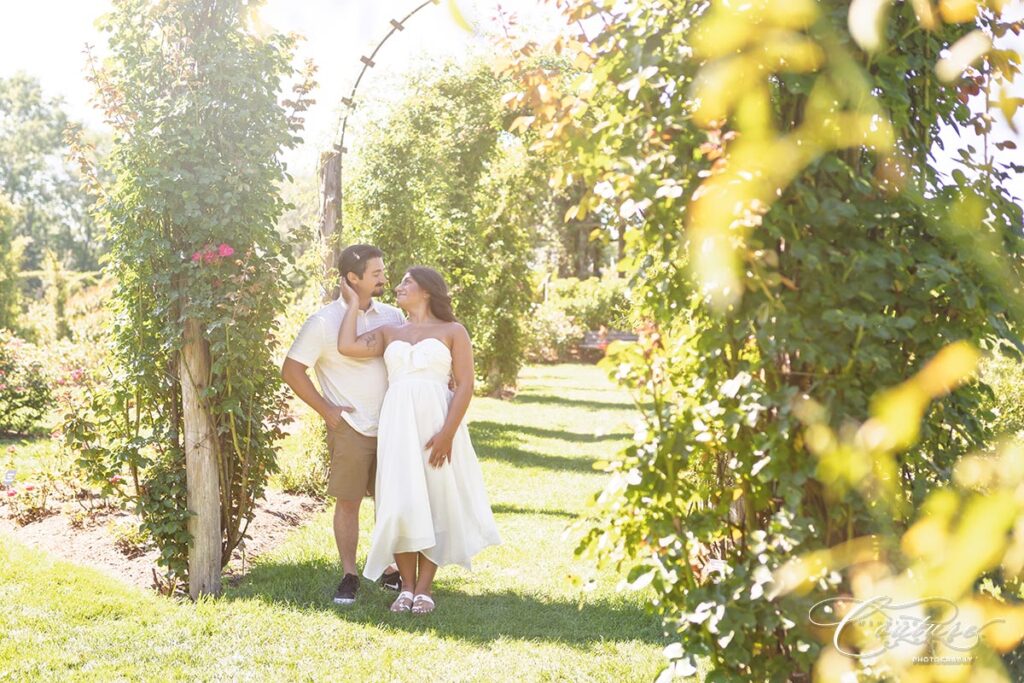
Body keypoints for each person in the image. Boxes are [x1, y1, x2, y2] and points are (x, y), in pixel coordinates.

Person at [336, 266, 501, 614]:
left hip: (437, 424)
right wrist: (352, 304)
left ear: (427, 290)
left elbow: (466, 384)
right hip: (397, 425)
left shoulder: (453, 331)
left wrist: (446, 434)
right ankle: (405, 588)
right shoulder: (388, 332)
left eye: (406, 282)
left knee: (434, 500)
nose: (398, 287)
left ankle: (425, 588)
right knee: (398, 502)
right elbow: (347, 346)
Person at [281, 244, 405, 605]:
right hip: (350, 425)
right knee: (349, 502)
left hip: (394, 423)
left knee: (392, 500)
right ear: (353, 278)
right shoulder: (322, 322)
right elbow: (291, 370)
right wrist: (326, 409)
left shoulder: (394, 317)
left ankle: (391, 570)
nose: (384, 277)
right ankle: (349, 575)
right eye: (377, 273)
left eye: (383, 271)